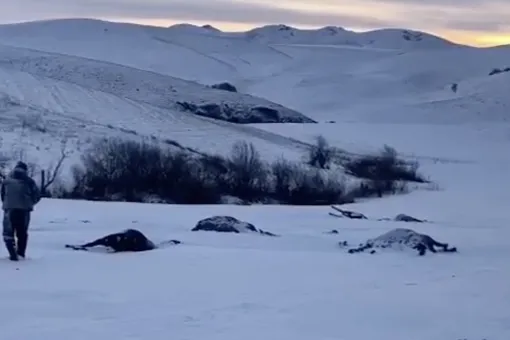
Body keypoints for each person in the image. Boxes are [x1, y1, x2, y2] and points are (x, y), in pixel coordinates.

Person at [1, 161, 41, 261]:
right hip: (24, 210)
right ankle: (21, 253)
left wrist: (7, 204)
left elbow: (2, 195)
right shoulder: (29, 181)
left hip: (9, 210)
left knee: (8, 233)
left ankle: (12, 253)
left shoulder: (6, 181)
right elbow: (37, 195)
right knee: (22, 233)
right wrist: (30, 203)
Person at [65, 228, 180, 253]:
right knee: (104, 241)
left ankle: (85, 246)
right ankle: (85, 246)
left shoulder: (141, 243)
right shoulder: (115, 238)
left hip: (134, 238)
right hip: (129, 237)